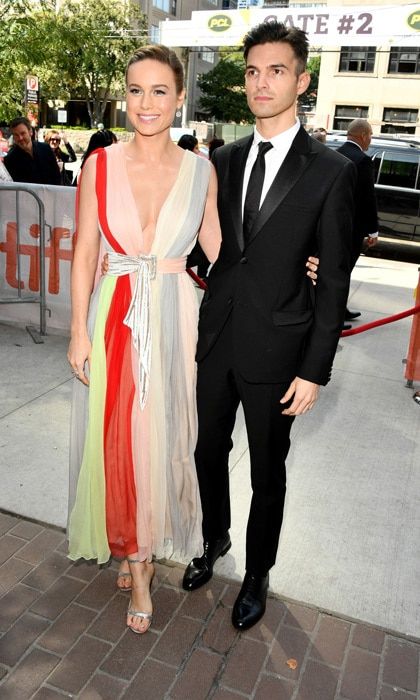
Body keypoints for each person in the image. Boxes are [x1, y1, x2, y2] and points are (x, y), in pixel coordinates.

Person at [182, 20, 356, 632]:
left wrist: (314, 370)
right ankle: (215, 540)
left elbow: (334, 280)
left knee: (267, 472)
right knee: (206, 450)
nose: (262, 82)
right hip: (217, 337)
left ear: (302, 80)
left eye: (276, 70)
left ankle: (257, 574)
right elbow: (211, 249)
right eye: (253, 71)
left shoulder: (332, 171)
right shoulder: (220, 160)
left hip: (280, 349)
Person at [67, 44, 221, 635]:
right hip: (114, 314)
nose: (146, 102)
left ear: (180, 97)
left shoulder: (200, 170)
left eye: (160, 91)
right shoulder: (99, 165)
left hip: (178, 317)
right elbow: (85, 251)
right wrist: (78, 329)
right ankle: (135, 554)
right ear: (124, 95)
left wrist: (298, 267)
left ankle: (143, 552)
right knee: (120, 437)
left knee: (163, 438)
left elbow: (221, 252)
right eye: (136, 90)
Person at [337, 119, 378, 323]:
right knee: (342, 273)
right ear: (363, 135)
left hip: (329, 225)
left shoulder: (333, 154)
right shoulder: (362, 161)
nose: (370, 139)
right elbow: (367, 198)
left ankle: (339, 309)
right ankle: (334, 316)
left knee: (331, 270)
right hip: (351, 229)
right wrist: (373, 231)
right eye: (370, 135)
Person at [4, 117, 61, 185]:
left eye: (23, 133)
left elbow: (56, 176)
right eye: (16, 135)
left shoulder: (45, 148)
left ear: (30, 132)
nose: (20, 138)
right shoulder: (10, 159)